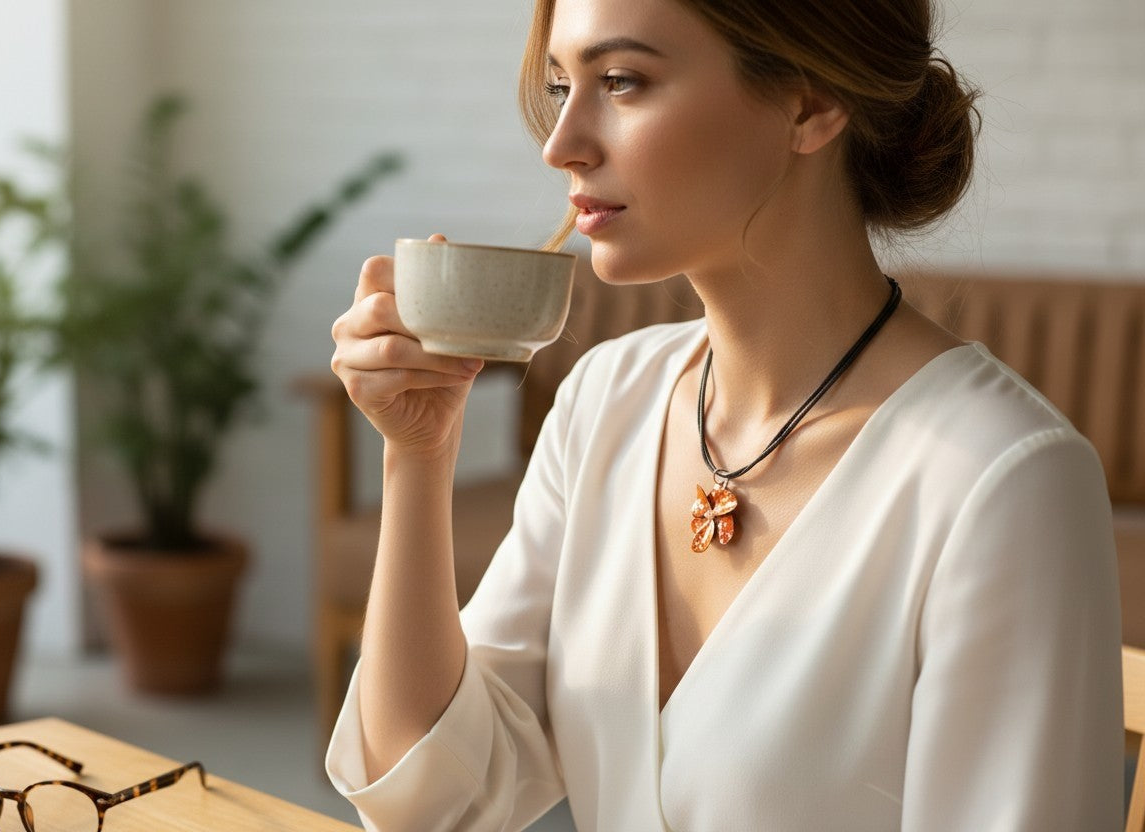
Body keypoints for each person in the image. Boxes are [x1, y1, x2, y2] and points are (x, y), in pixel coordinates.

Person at [325, 0, 1123, 828]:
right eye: (564, 87)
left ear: (810, 104)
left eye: (623, 82)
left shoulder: (1001, 483)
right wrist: (417, 456)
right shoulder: (606, 401)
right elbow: (435, 799)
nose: (561, 144)